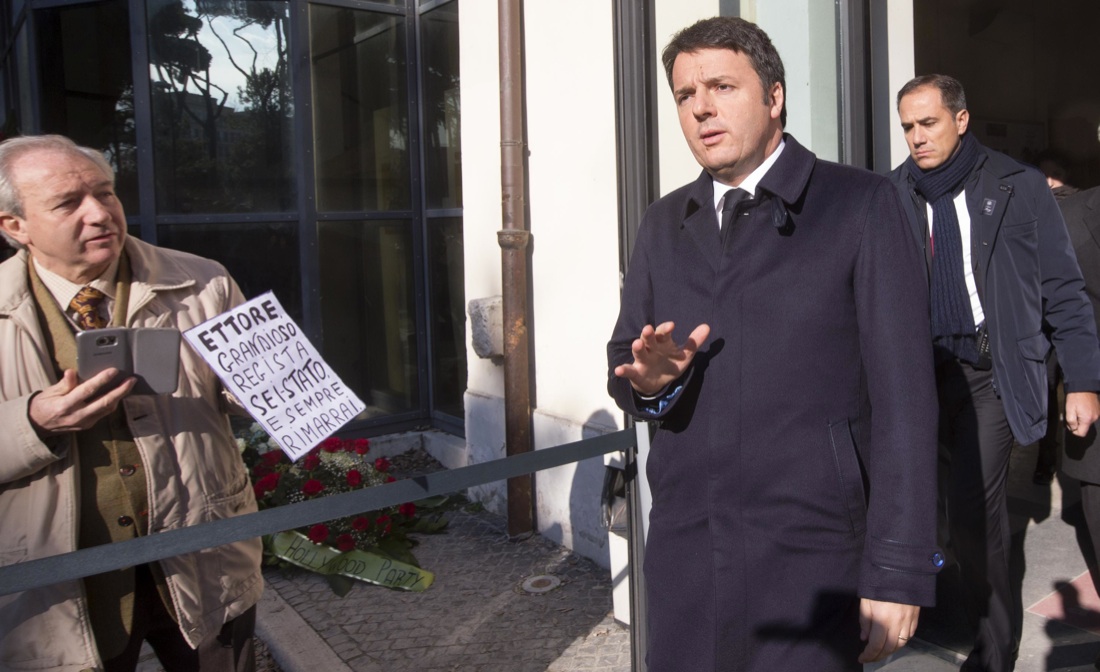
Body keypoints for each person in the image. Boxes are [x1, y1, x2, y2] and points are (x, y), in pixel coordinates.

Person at [606, 17, 943, 671]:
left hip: (813, 558)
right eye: (683, 95)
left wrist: (898, 568)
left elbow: (906, 401)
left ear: (775, 96)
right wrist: (648, 383)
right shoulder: (662, 224)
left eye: (722, 85)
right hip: (687, 557)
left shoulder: (863, 205)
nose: (700, 105)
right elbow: (625, 361)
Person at [0, 134, 263, 671]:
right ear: (15, 226)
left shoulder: (203, 281)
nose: (99, 214)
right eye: (68, 203)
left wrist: (265, 392)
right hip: (59, 589)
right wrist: (32, 421)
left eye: (106, 193)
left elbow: (265, 392)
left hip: (204, 565)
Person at [888, 74, 1100, 671]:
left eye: (928, 123)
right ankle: (945, 604)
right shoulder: (893, 193)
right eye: (907, 126)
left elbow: (1063, 288)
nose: (916, 138)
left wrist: (1083, 380)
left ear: (961, 120)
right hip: (922, 375)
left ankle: (992, 651)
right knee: (928, 514)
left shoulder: (1019, 187)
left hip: (990, 374)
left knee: (976, 515)